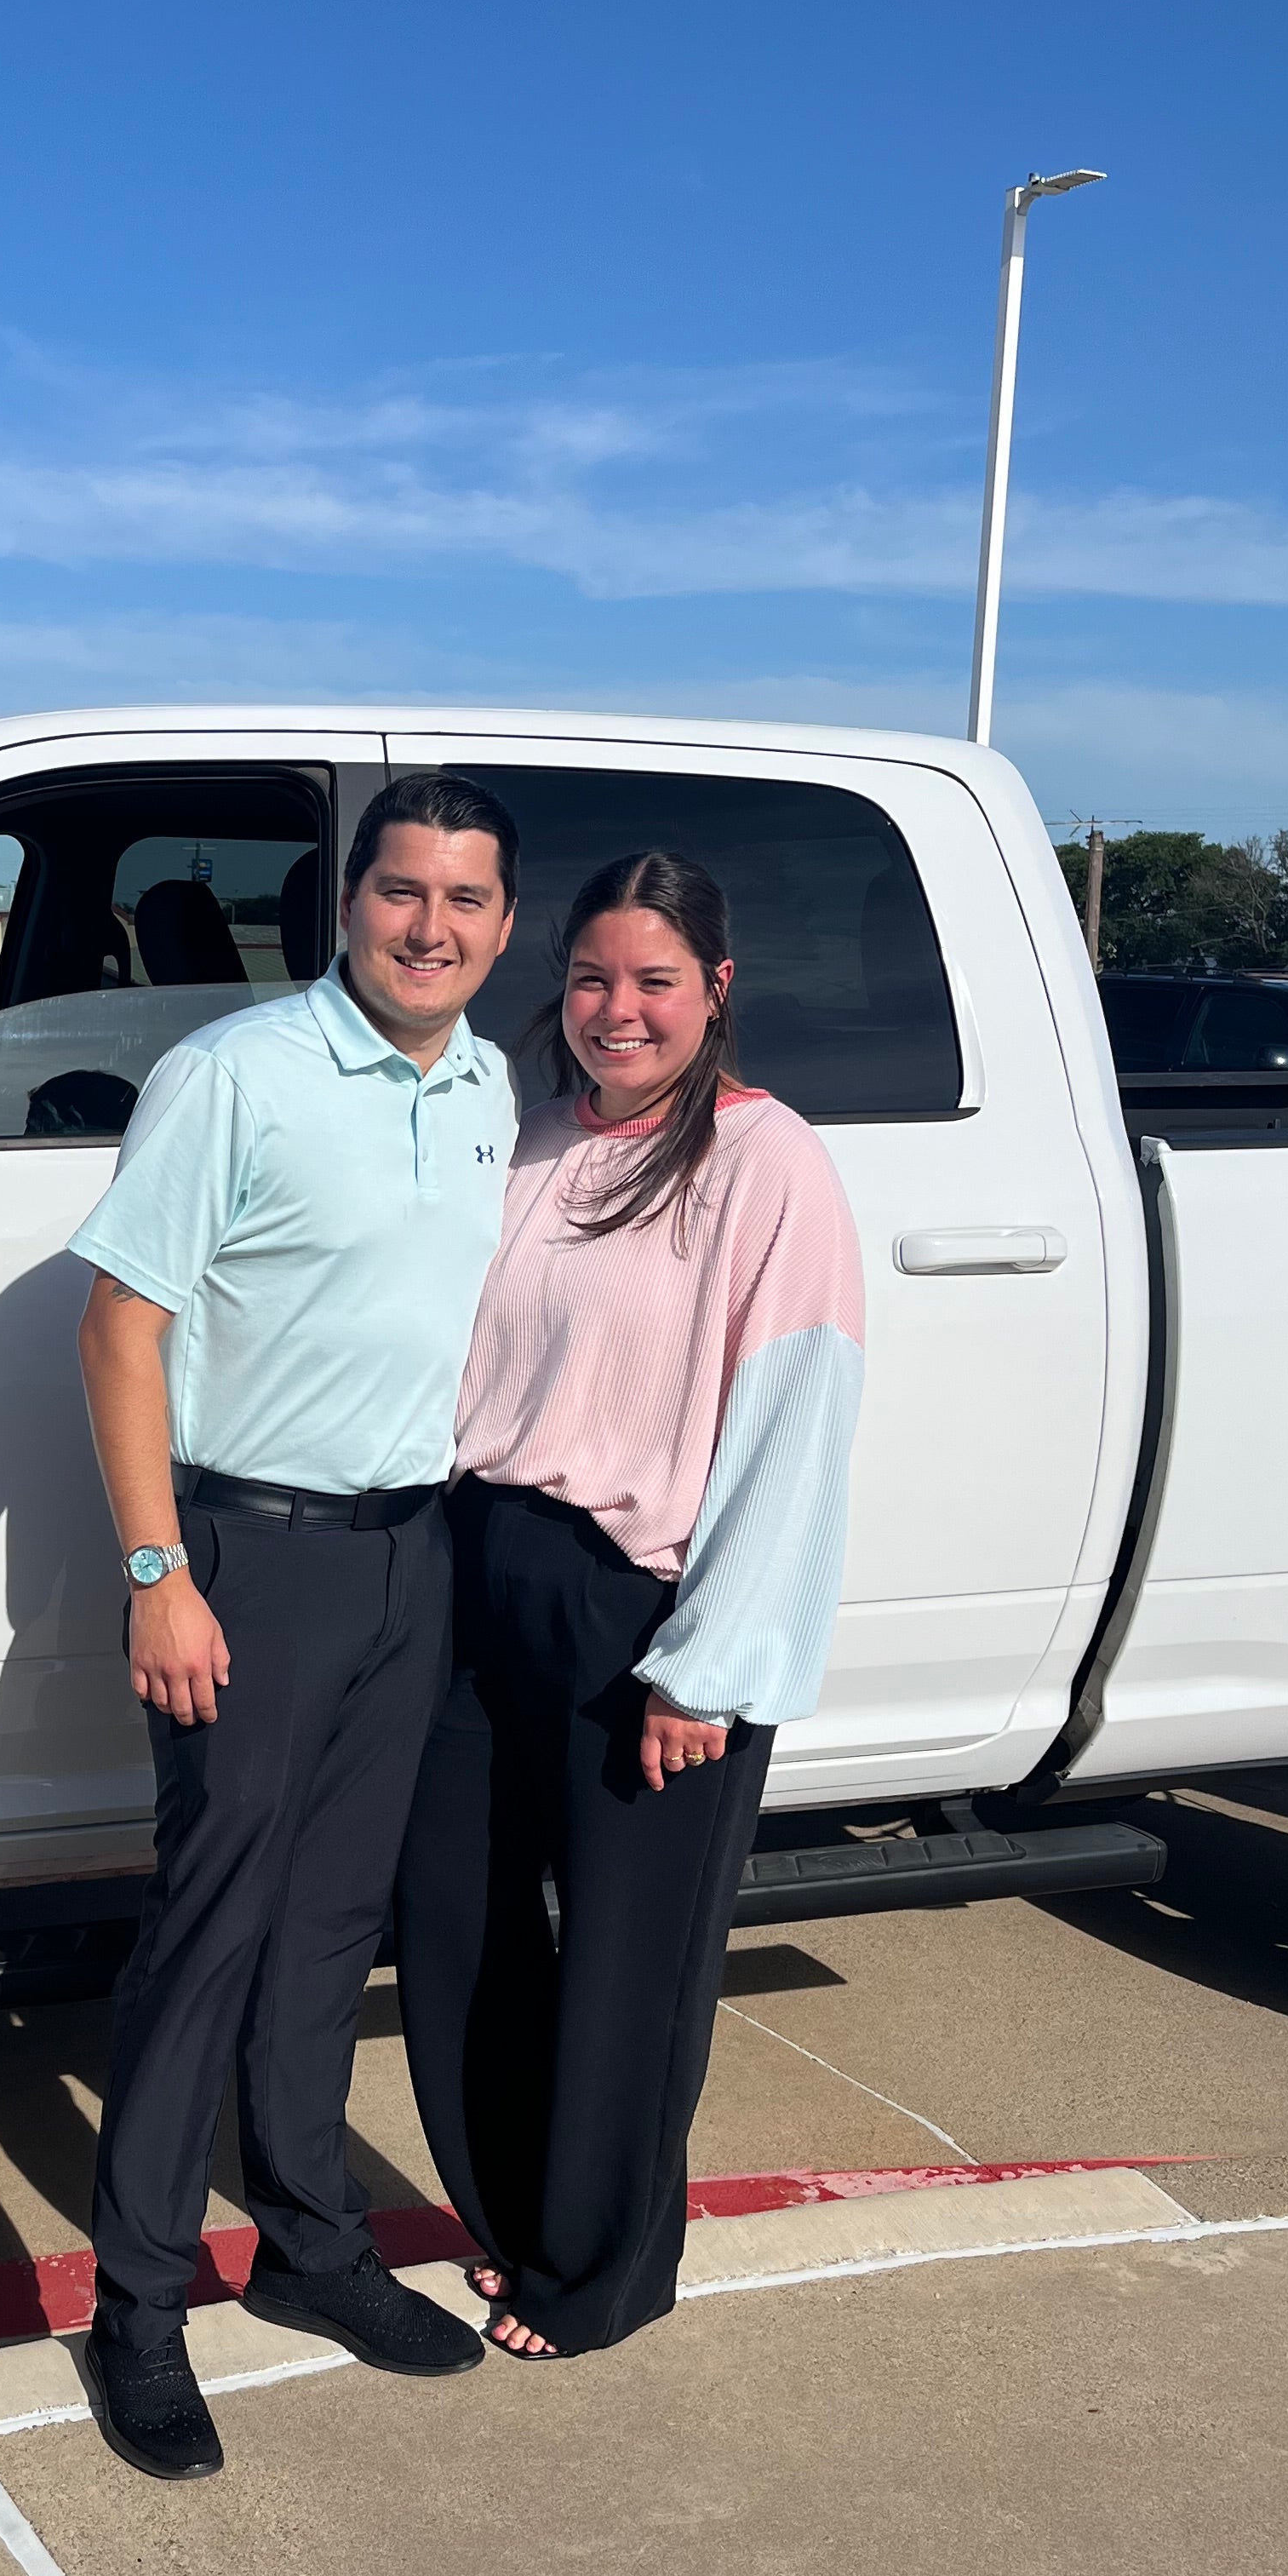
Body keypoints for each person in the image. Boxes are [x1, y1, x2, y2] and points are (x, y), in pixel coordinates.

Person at [66, 776, 522, 2478]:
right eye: (403, 891)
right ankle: (139, 2302)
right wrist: (155, 1574)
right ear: (345, 904)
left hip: (414, 1555)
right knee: (212, 1925)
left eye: (467, 899)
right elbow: (121, 1329)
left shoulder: (485, 1084)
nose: (432, 926)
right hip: (247, 1560)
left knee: (333, 1927)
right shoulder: (236, 1076)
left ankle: (314, 2249)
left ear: (503, 923)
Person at [396, 847, 863, 2361]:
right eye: (592, 977)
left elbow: (793, 1427)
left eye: (655, 981)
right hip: (480, 1570)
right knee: (462, 1922)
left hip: (640, 1611)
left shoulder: (763, 1161)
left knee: (624, 1963)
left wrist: (708, 1670)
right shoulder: (529, 1140)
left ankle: (598, 2272)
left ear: (717, 990)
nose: (617, 1009)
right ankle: (515, 2213)